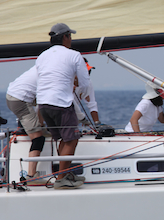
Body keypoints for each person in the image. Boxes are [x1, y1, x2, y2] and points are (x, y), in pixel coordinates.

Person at [35, 23, 91, 190]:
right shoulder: (74, 55)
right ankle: (61, 179)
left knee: (63, 139)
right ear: (65, 37)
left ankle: (64, 174)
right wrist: (79, 93)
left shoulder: (42, 56)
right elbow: (84, 83)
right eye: (70, 36)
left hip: (43, 104)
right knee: (72, 139)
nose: (71, 40)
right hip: (61, 103)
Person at [6, 66, 49, 185]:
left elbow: (41, 102)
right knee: (38, 138)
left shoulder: (43, 65)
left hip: (14, 95)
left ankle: (31, 127)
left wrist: (40, 125)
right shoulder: (52, 74)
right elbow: (42, 102)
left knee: (37, 129)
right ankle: (31, 176)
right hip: (20, 100)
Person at [73, 58, 100, 127]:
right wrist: (82, 118)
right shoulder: (65, 82)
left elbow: (91, 103)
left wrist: (97, 123)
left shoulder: (88, 83)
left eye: (89, 72)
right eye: (85, 72)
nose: (87, 75)